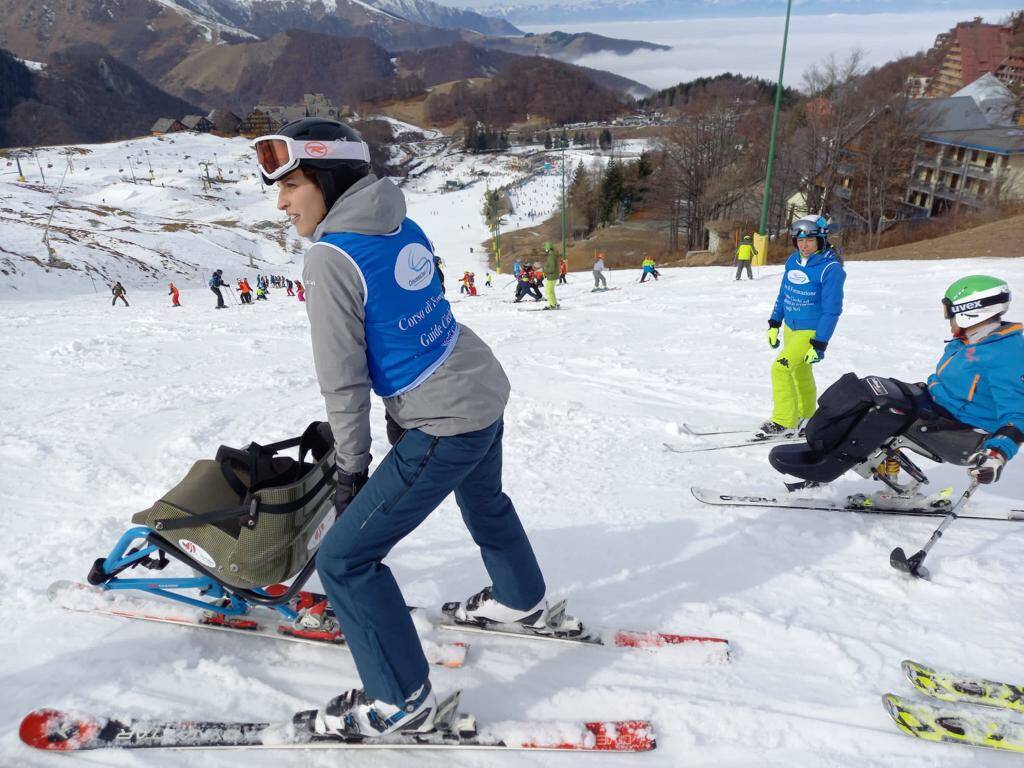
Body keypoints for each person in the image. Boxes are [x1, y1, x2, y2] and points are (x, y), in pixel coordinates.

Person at [253, 118, 548, 738]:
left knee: (346, 559)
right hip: (481, 385)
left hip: (445, 419)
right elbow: (419, 304)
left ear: (328, 182)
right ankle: (521, 600)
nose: (281, 202)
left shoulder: (330, 258)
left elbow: (344, 378)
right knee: (485, 497)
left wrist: (350, 469)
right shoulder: (397, 218)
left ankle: (400, 698)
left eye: (293, 186)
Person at [930, 275, 1022, 484]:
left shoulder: (1007, 354)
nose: (947, 319)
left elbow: (1017, 413)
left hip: (963, 430)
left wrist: (996, 455)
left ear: (970, 312)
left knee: (875, 408)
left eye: (950, 312)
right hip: (940, 409)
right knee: (868, 392)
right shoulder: (968, 341)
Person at [758, 216, 845, 438]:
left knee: (780, 368)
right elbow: (784, 294)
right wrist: (775, 322)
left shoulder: (830, 269)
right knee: (799, 373)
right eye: (799, 240)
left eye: (809, 240)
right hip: (791, 328)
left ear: (821, 239)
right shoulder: (792, 261)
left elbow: (831, 311)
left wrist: (819, 344)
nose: (803, 245)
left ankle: (783, 420)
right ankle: (807, 417)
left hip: (810, 331)